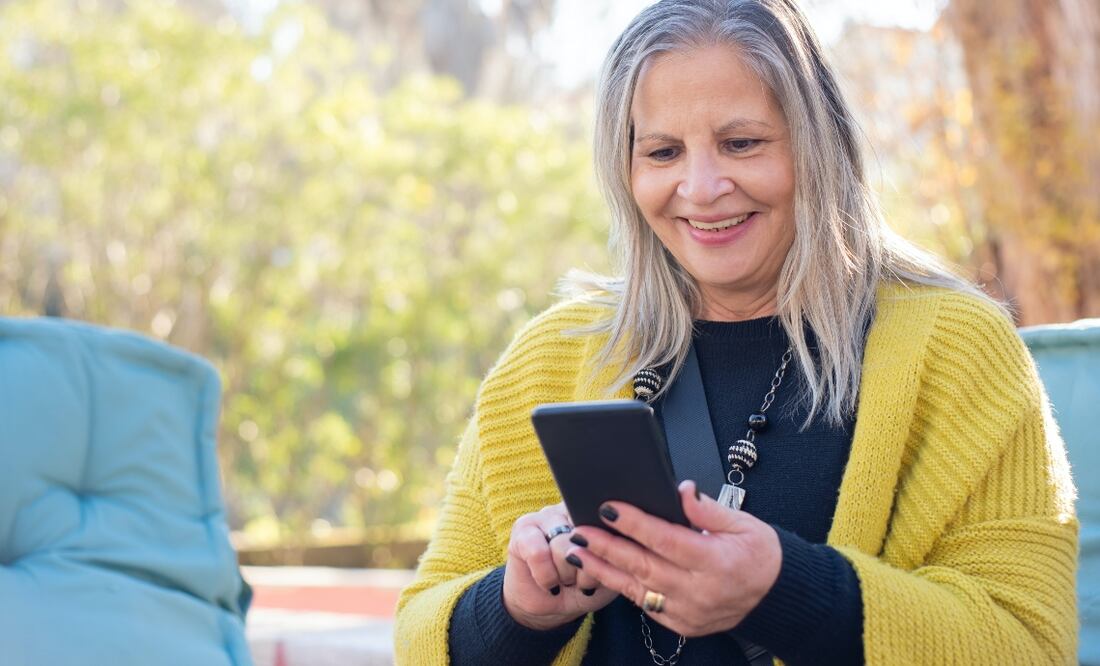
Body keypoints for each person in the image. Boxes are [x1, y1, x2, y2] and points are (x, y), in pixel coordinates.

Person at [394, 0, 1079, 663]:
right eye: (662, 152)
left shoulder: (957, 349)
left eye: (741, 143)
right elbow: (421, 630)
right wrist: (518, 609)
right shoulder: (553, 355)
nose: (701, 186)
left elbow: (1027, 643)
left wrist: (782, 591)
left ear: (819, 147)